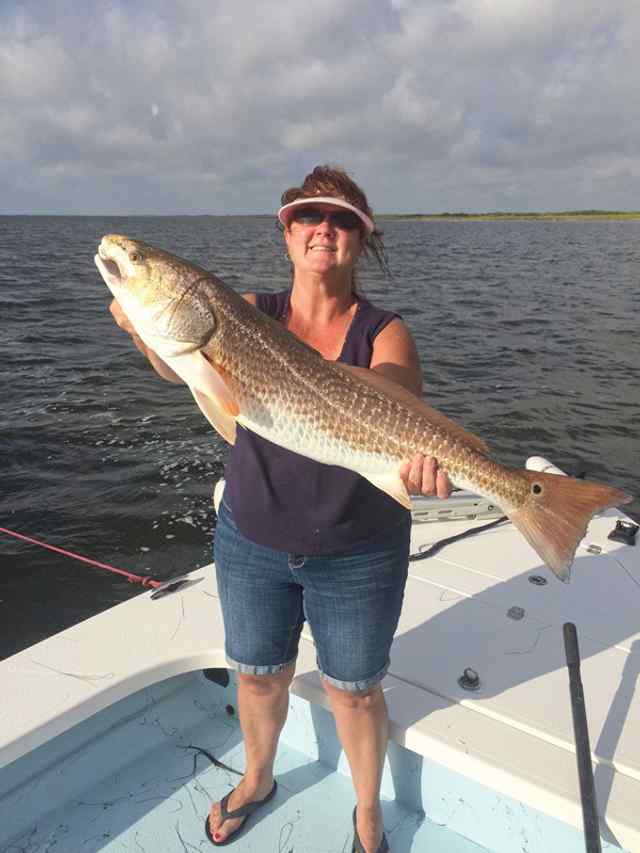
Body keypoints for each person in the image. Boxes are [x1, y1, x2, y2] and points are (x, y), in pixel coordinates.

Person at [110, 165, 451, 853]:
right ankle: (258, 778)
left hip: (358, 547)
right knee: (259, 676)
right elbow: (181, 356)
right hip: (253, 536)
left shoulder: (386, 333)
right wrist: (141, 322)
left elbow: (393, 401)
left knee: (354, 690)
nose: (323, 229)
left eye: (342, 219)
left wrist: (420, 455)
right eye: (308, 216)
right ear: (287, 229)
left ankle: (366, 813)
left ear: (363, 236)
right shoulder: (245, 312)